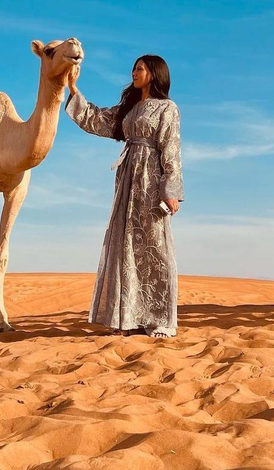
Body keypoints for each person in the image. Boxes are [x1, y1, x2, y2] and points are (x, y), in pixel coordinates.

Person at [65, 55, 184, 338]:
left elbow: (171, 149)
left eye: (140, 68)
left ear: (154, 74)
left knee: (154, 245)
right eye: (133, 67)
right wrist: (73, 91)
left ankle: (159, 319)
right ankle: (128, 318)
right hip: (127, 179)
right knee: (125, 243)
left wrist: (171, 191)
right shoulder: (130, 109)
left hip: (151, 180)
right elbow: (99, 120)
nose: (133, 72)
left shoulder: (167, 108)